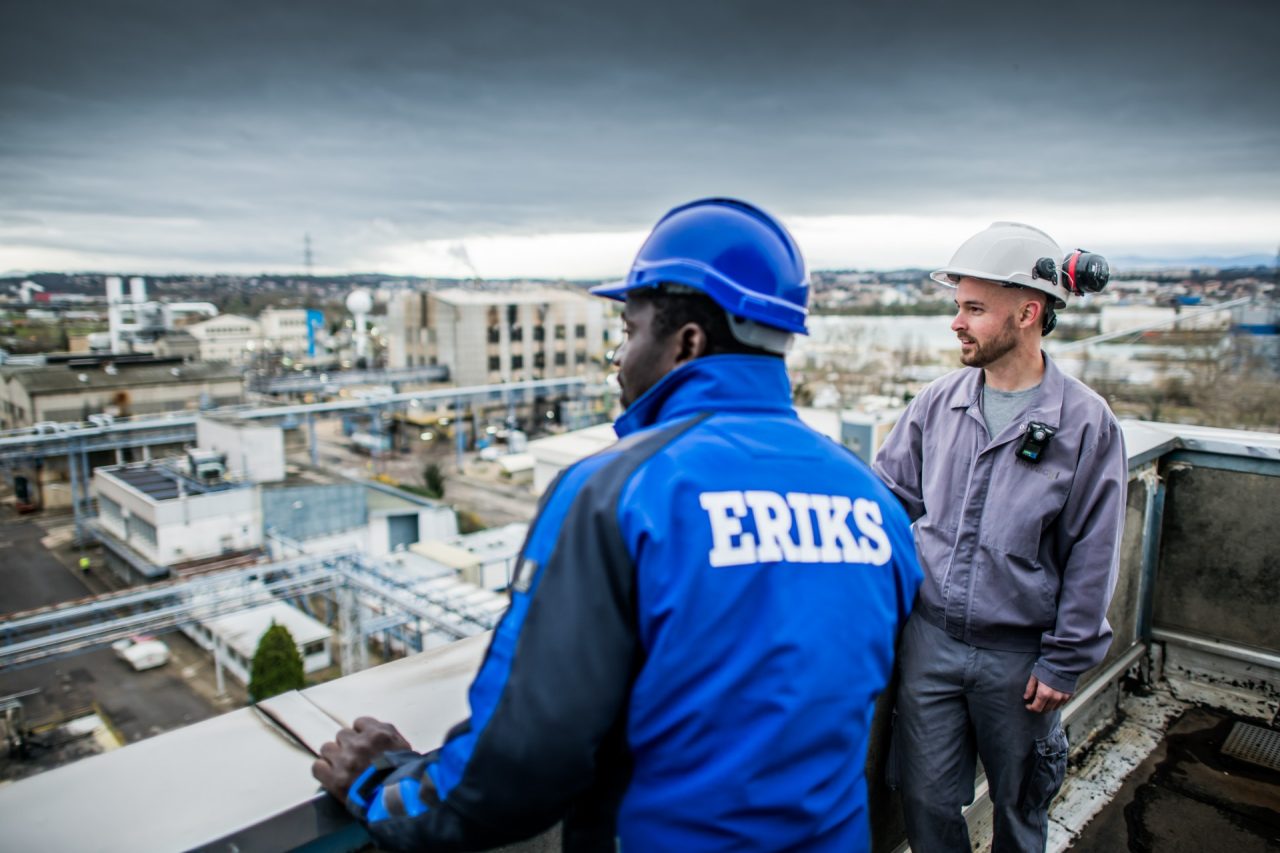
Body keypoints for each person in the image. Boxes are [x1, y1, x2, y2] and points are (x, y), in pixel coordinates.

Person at [312, 198, 923, 852]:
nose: (618, 358)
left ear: (686, 342)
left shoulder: (618, 493)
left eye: (628, 332)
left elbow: (518, 767)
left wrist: (385, 787)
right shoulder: (874, 504)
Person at [873, 222, 1127, 852]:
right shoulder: (938, 403)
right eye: (957, 306)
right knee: (927, 800)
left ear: (1028, 312)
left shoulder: (1085, 423)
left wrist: (1065, 658)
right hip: (929, 645)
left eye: (974, 309)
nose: (956, 323)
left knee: (1020, 804)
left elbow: (1094, 552)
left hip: (1021, 660)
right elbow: (882, 501)